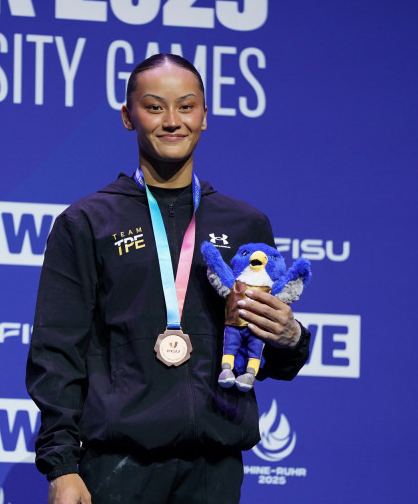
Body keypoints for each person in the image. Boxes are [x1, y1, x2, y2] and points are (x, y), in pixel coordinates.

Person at [26, 53, 311, 504]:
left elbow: (268, 357)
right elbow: (56, 350)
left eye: (186, 106)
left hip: (214, 470)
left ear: (204, 117)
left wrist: (290, 336)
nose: (172, 121)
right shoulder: (88, 222)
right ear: (128, 116)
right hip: (118, 466)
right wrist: (61, 466)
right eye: (155, 107)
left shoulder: (245, 224)